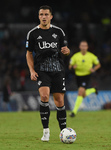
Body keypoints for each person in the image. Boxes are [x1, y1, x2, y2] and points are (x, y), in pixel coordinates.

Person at [26, 5, 70, 142]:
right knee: (44, 97)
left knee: (60, 101)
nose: (43, 17)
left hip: (58, 70)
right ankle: (46, 132)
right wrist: (32, 70)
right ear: (38, 16)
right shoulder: (32, 33)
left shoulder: (59, 32)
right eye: (41, 14)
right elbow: (28, 53)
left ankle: (64, 132)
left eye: (46, 14)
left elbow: (65, 49)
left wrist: (67, 51)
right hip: (42, 70)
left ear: (51, 16)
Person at [69, 40, 101, 117]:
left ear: (87, 47)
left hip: (86, 76)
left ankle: (74, 112)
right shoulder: (75, 56)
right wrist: (73, 67)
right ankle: (94, 89)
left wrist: (93, 69)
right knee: (83, 94)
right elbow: (70, 66)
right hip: (78, 77)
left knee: (80, 92)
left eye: (85, 46)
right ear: (80, 47)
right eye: (82, 46)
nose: (83, 47)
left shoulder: (91, 56)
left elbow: (98, 64)